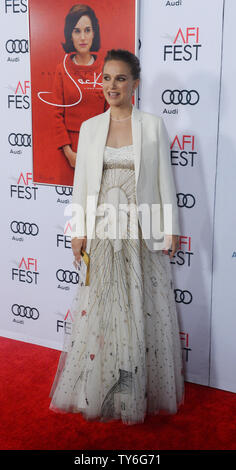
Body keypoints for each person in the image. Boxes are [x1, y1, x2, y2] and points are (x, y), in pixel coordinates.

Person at [49, 49, 185, 425]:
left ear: (135, 84)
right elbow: (81, 185)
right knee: (103, 307)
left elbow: (163, 181)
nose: (112, 85)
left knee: (140, 306)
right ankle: (100, 383)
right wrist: (77, 230)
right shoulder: (91, 127)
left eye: (121, 78)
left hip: (140, 231)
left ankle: (134, 388)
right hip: (103, 229)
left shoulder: (153, 126)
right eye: (107, 78)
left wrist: (171, 225)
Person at [51, 4, 109, 168]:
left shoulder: (106, 68)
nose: (83, 37)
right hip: (69, 152)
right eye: (77, 31)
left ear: (93, 33)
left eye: (87, 30)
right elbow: (56, 113)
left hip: (100, 148)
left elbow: (111, 113)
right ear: (70, 35)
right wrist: (69, 152)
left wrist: (101, 151)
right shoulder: (62, 69)